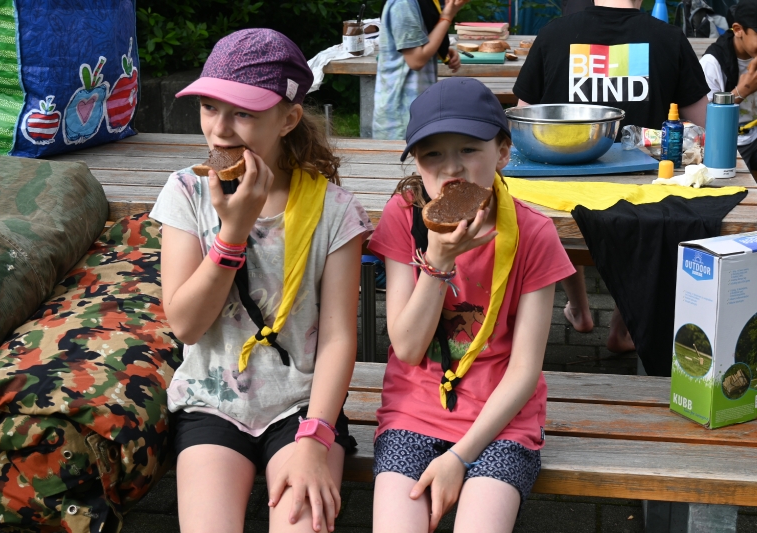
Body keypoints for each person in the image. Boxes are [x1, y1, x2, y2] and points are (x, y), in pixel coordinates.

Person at [150, 29, 373, 533]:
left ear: (288, 119)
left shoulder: (335, 211)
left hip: (303, 408)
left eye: (243, 113)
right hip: (212, 402)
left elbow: (338, 338)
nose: (219, 130)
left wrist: (316, 437)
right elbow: (185, 325)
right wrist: (232, 233)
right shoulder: (185, 192)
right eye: (209, 107)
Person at [368, 78, 576, 533]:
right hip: (413, 412)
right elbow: (407, 348)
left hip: (501, 424)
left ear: (502, 152)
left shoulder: (533, 233)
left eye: (468, 149)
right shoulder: (404, 216)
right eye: (433, 155)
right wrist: (438, 262)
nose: (452, 168)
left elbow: (524, 371)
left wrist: (460, 458)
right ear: (417, 163)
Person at [513, 0, 710, 353]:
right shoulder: (668, 38)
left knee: (557, 206)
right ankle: (623, 325)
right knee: (646, 222)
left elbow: (525, 121)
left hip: (560, 191)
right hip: (643, 196)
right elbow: (704, 126)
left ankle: (579, 308)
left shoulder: (554, 33)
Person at [372, 0, 469, 140]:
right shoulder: (403, 4)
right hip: (400, 114)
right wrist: (447, 17)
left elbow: (416, 41)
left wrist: (441, 49)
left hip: (418, 108)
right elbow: (416, 60)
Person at [701, 0, 757, 172]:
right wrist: (742, 91)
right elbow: (705, 121)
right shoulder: (712, 63)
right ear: (738, 30)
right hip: (725, 143)